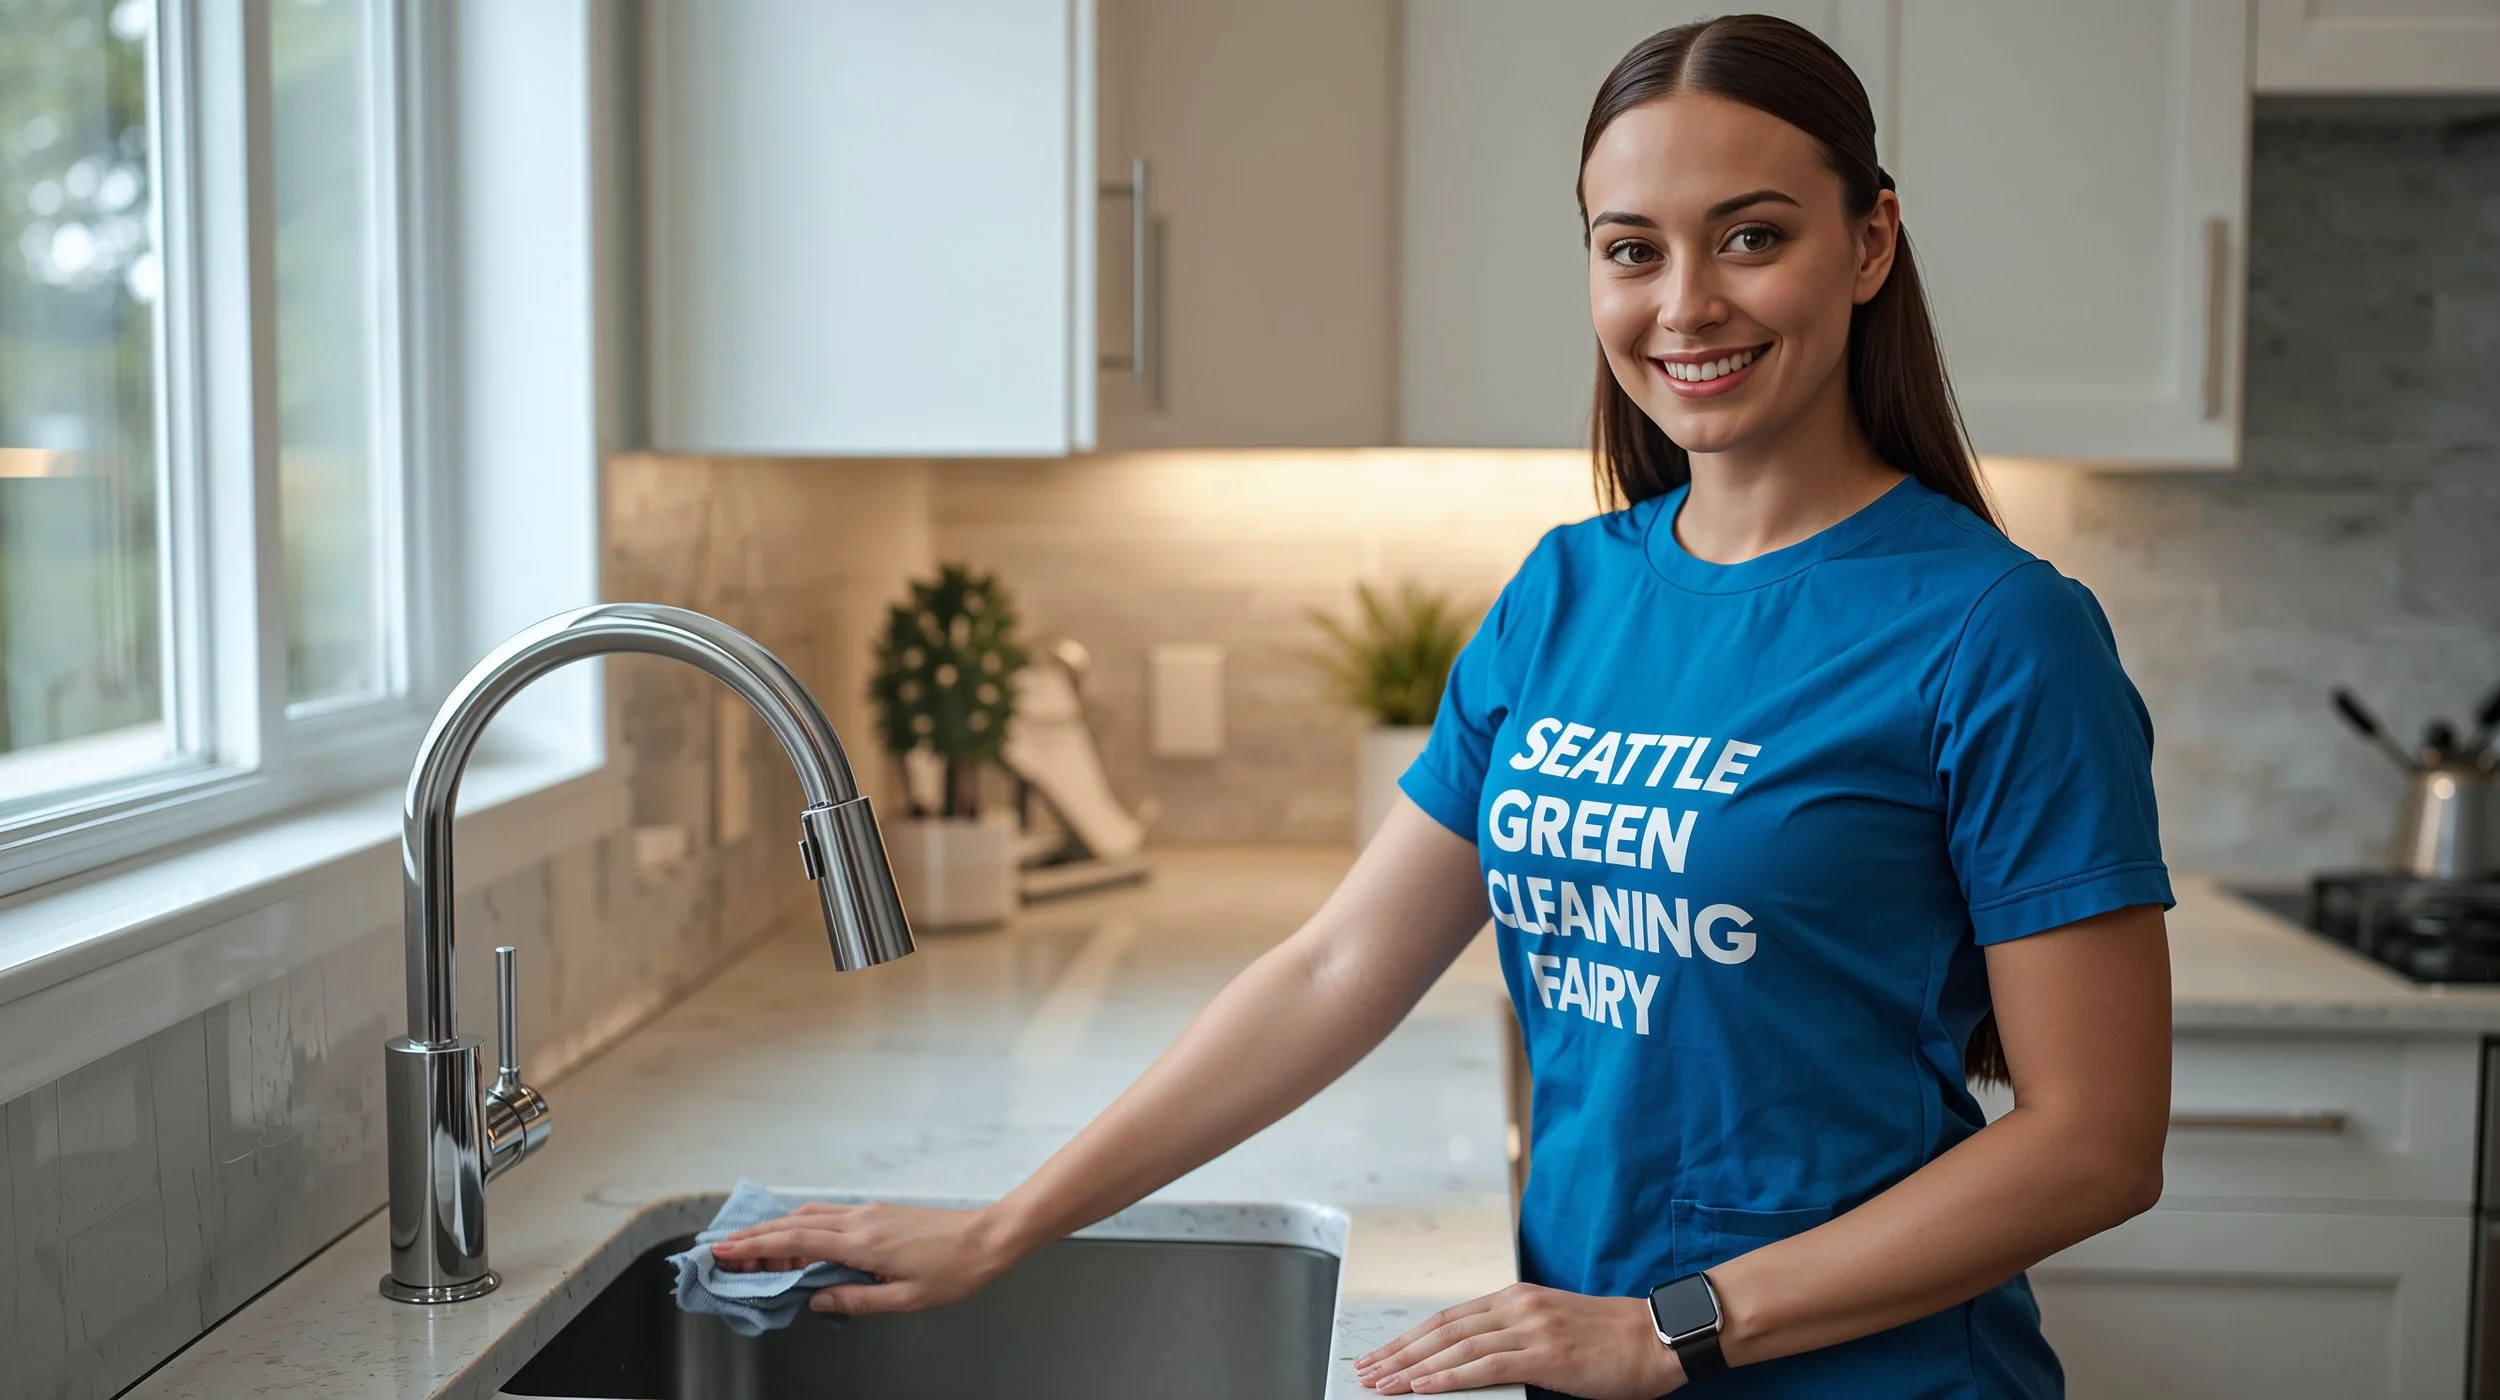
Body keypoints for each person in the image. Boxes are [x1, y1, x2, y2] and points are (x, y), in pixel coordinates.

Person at [708, 14, 2173, 1397]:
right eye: (1630, 249)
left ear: (1869, 243)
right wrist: (1005, 1226)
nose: (1684, 304)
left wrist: (1676, 1329)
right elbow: (1338, 967)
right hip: (1584, 1353)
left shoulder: (1999, 632)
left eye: (1752, 237)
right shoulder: (1566, 596)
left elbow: (2095, 1142)